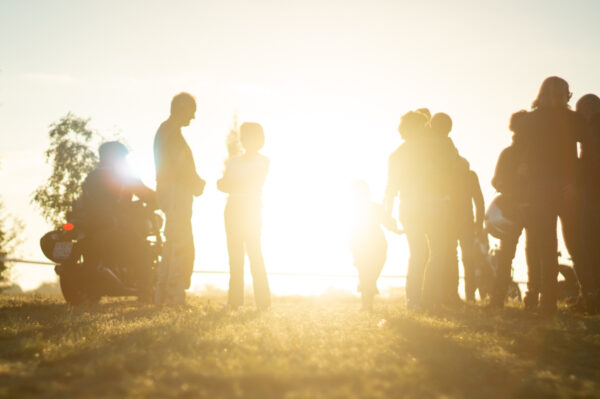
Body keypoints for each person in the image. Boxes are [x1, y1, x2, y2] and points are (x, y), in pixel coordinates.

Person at [514, 76, 589, 314]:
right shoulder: (573, 119)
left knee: (545, 245)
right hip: (565, 187)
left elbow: (520, 153)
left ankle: (548, 301)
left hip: (539, 187)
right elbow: (585, 152)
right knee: (575, 243)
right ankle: (588, 296)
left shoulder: (529, 120)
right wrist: (575, 183)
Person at [384, 111, 460, 309]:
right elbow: (455, 170)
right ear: (423, 126)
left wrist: (387, 214)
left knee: (417, 254)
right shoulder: (439, 146)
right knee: (437, 253)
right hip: (433, 204)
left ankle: (413, 301)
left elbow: (391, 188)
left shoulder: (397, 154)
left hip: (408, 206)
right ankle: (429, 299)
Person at [78, 141, 156, 300]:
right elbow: (146, 194)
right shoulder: (125, 177)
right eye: (123, 157)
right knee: (144, 251)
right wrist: (161, 200)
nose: (125, 161)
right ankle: (145, 290)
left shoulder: (91, 177)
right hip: (115, 226)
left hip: (90, 228)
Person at [153, 92, 205, 305]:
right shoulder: (171, 134)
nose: (193, 118)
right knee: (180, 243)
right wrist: (196, 183)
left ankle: (163, 296)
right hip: (176, 192)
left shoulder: (166, 132)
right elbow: (179, 168)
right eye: (191, 112)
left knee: (172, 242)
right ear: (182, 109)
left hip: (171, 191)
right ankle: (173, 296)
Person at [487, 111, 540, 309]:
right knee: (532, 252)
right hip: (531, 208)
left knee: (507, 253)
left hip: (512, 209)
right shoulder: (536, 153)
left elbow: (496, 180)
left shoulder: (508, 153)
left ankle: (498, 297)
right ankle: (531, 294)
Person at [430, 112, 485, 303]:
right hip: (462, 222)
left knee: (456, 258)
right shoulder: (468, 175)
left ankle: (455, 295)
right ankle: (459, 295)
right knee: (464, 259)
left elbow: (479, 201)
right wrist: (479, 223)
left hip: (454, 222)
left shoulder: (458, 175)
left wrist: (478, 223)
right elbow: (479, 201)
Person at [217, 122, 271, 310]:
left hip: (250, 208)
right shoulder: (234, 161)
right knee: (235, 256)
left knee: (254, 253)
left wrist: (233, 184)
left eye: (254, 136)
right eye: (246, 136)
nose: (249, 140)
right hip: (233, 207)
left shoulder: (262, 161)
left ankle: (263, 302)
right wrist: (236, 184)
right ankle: (234, 301)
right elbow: (222, 184)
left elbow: (253, 183)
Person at [349, 180, 398, 311]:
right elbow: (388, 223)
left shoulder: (357, 209)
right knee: (368, 273)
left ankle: (366, 301)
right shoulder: (372, 207)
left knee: (366, 273)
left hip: (364, 244)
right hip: (372, 244)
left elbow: (387, 222)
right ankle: (367, 304)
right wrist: (394, 226)